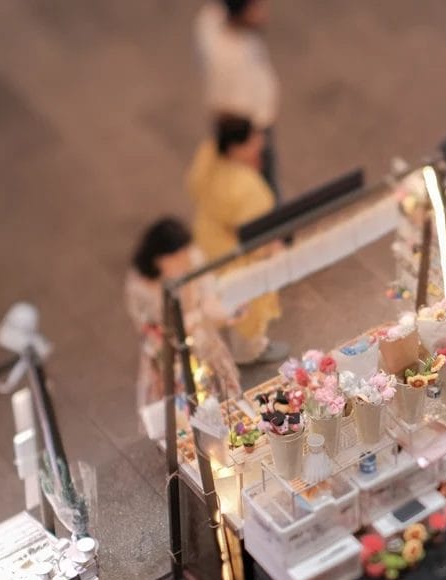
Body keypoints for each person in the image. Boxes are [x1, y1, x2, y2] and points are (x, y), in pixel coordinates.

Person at [124, 218, 241, 435]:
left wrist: (226, 314)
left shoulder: (193, 258)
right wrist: (171, 332)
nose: (183, 260)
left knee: (220, 397)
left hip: (201, 338)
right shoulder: (140, 286)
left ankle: (225, 431)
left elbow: (209, 295)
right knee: (180, 408)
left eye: (184, 253)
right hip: (167, 349)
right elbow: (144, 325)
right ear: (158, 259)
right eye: (176, 257)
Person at [187, 114, 287, 365]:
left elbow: (193, 185)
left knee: (221, 296)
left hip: (208, 237)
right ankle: (250, 351)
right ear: (235, 147)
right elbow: (257, 237)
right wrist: (274, 250)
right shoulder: (246, 188)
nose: (259, 143)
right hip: (237, 255)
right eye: (252, 140)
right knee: (248, 308)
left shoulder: (208, 153)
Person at [195, 0, 281, 200]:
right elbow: (227, 113)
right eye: (256, 8)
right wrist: (252, 143)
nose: (263, 11)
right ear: (239, 13)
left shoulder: (210, 19)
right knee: (264, 193)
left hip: (250, 131)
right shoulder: (228, 63)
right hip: (250, 131)